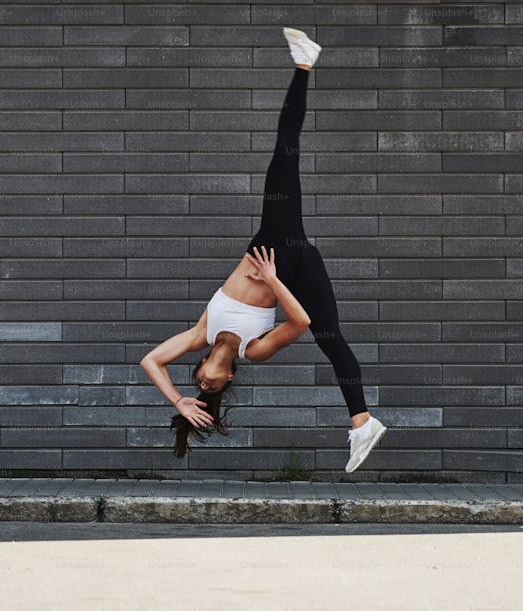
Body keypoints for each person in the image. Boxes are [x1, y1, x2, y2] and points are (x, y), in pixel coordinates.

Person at [140, 28, 386, 473]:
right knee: (328, 335)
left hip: (274, 239)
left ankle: (361, 422)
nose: (201, 381)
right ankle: (364, 422)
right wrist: (273, 282)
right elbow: (299, 322)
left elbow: (151, 360)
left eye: (197, 381)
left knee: (284, 153)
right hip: (290, 266)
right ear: (229, 378)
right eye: (208, 389)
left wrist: (179, 400)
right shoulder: (252, 350)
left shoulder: (203, 332)